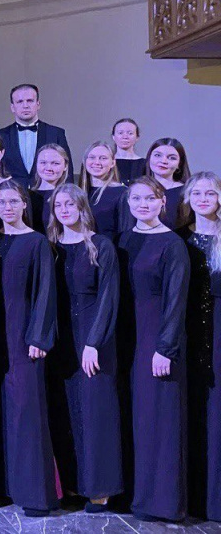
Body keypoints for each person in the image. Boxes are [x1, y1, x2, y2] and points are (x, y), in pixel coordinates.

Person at [45, 184, 123, 513]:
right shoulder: (50, 247)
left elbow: (109, 297)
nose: (64, 210)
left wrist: (94, 342)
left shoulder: (100, 245)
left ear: (81, 207)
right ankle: (74, 484)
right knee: (66, 411)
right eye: (58, 205)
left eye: (70, 204)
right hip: (61, 340)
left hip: (92, 338)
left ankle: (100, 490)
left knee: (95, 413)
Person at [0, 179, 58, 517]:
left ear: (25, 204)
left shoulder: (37, 242)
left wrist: (38, 337)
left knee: (26, 410)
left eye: (13, 201)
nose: (7, 207)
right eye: (2, 202)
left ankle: (34, 494)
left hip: (23, 336)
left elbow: (45, 291)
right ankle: (1, 487)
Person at [117, 177, 189, 522]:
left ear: (163, 202)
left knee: (158, 419)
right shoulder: (122, 239)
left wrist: (165, 347)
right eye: (136, 199)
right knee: (133, 419)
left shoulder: (172, 244)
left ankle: (161, 503)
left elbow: (176, 300)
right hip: (125, 340)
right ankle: (133, 495)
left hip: (155, 339)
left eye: (149, 198)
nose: (142, 204)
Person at [182, 171, 220, 520]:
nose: (203, 199)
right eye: (197, 193)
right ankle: (192, 498)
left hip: (219, 335)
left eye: (210, 193)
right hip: (188, 333)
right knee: (191, 409)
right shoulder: (179, 238)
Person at [0, 84, 71, 186]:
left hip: (48, 192)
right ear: (12, 107)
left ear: (38, 104)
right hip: (12, 192)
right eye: (20, 102)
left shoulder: (56, 133)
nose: (25, 106)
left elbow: (68, 170)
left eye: (30, 101)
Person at [78, 140, 131, 239]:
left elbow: (126, 232)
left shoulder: (122, 193)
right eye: (92, 157)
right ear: (85, 161)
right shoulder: (78, 192)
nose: (97, 162)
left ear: (113, 163)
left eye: (103, 158)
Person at [145, 137, 191, 229]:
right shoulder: (137, 189)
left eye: (172, 158)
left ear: (179, 164)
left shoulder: (187, 192)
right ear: (149, 158)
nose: (163, 161)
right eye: (158, 155)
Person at [28, 144, 70, 233]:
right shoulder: (26, 196)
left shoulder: (71, 196)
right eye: (43, 163)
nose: (48, 168)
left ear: (65, 166)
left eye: (55, 163)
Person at [112, 118, 145, 185]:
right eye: (120, 133)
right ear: (113, 137)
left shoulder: (145, 163)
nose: (125, 137)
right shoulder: (108, 163)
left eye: (130, 133)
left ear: (137, 137)